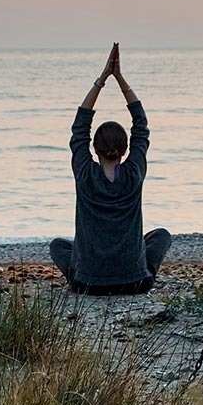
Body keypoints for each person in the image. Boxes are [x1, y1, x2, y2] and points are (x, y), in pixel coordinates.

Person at [49, 43, 171, 295]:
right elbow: (141, 125)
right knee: (161, 236)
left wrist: (101, 80)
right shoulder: (133, 173)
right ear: (126, 150)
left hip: (87, 284)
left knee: (58, 246)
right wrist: (120, 79)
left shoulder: (85, 174)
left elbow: (79, 126)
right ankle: (140, 271)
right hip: (135, 282)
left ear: (94, 148)